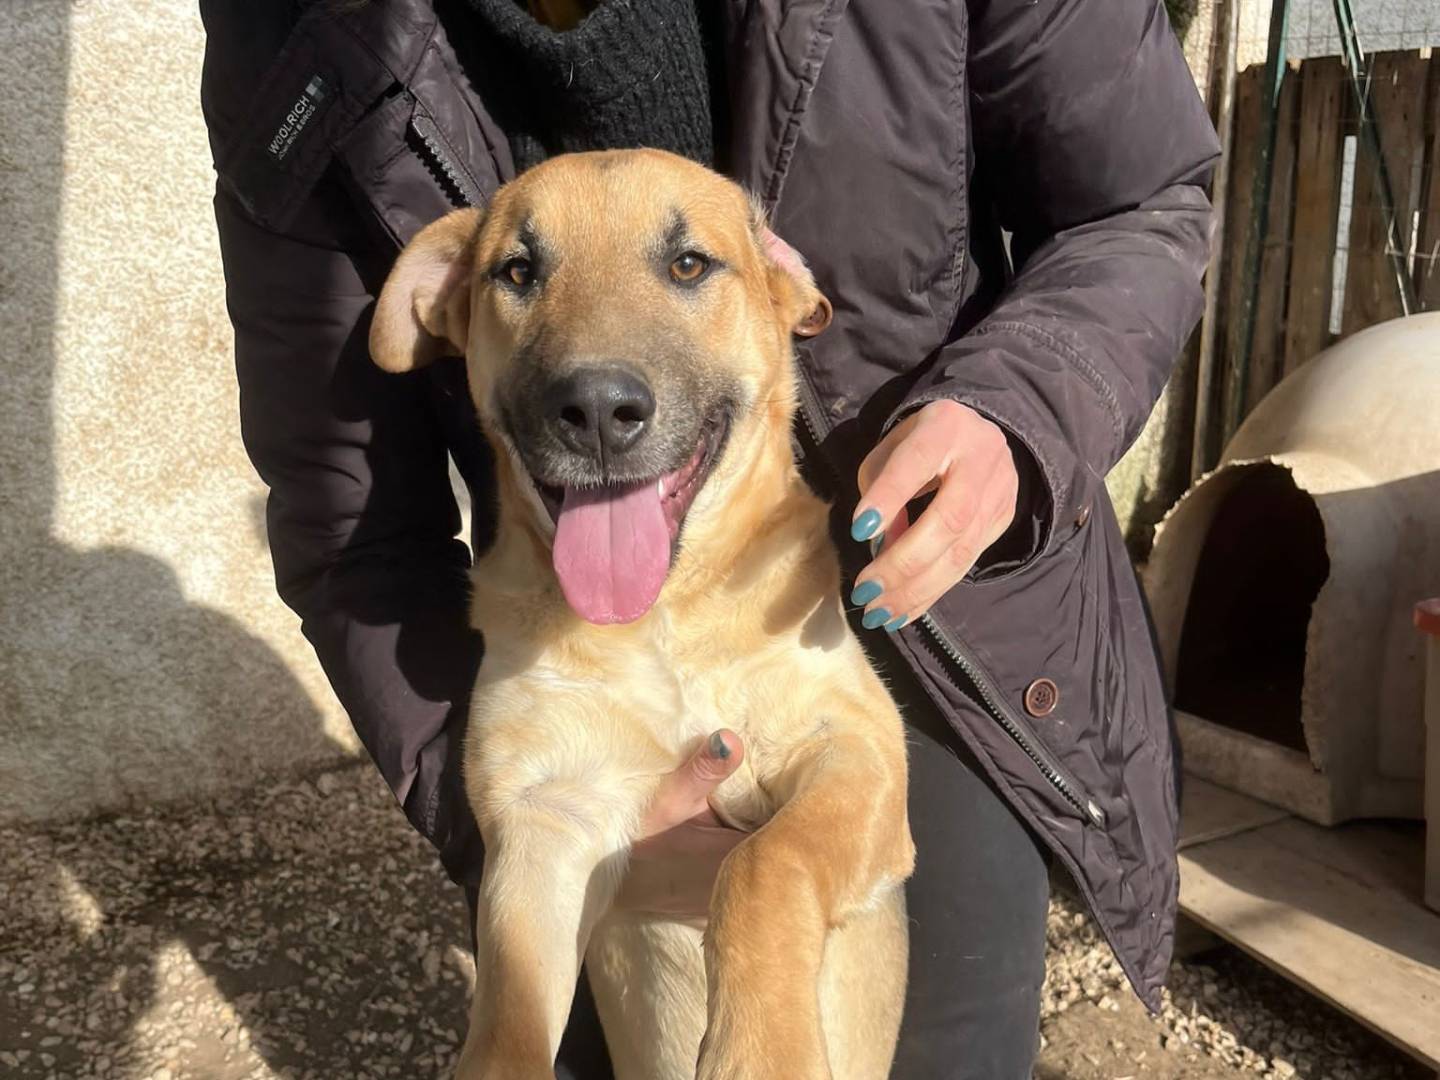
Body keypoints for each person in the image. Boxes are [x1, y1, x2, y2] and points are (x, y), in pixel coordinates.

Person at [197, 0, 1219, 1074]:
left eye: (686, 266)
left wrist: (1018, 410)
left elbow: (1141, 199)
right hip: (556, 615)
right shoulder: (294, 27)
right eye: (521, 274)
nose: (598, 378)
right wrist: (517, 844)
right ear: (447, 302)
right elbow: (347, 522)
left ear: (786, 294)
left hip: (937, 604)